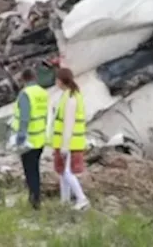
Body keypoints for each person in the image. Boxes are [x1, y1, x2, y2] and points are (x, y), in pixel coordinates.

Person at [48, 67, 90, 211]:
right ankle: (64, 201)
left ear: (61, 81)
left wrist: (65, 145)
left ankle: (82, 199)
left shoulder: (71, 98)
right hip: (66, 141)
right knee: (62, 173)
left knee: (68, 172)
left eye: (56, 79)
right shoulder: (68, 95)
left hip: (71, 142)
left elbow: (69, 123)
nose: (55, 82)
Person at [11, 67, 49, 209]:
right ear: (35, 77)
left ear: (23, 79)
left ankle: (34, 202)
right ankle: (36, 198)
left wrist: (20, 137)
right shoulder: (43, 93)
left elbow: (25, 118)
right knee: (35, 169)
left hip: (28, 140)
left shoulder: (25, 94)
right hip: (40, 138)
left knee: (30, 171)